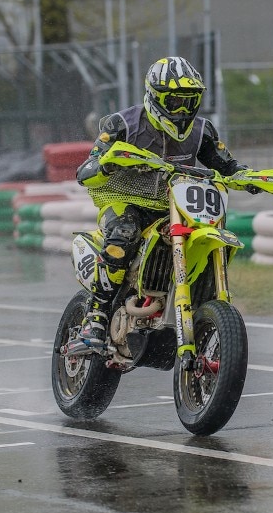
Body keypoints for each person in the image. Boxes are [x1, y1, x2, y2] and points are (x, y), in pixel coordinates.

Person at [65, 56, 250, 355]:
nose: (182, 110)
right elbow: (85, 170)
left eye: (189, 101)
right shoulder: (121, 124)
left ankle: (202, 311)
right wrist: (107, 164)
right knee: (124, 233)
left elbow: (228, 165)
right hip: (124, 201)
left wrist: (248, 176)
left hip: (176, 205)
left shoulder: (202, 131)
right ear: (155, 96)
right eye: (174, 101)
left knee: (209, 235)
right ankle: (95, 317)